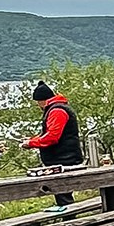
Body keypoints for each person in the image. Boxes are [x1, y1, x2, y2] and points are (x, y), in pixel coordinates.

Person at [26, 79, 83, 209]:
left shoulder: (56, 111)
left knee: (63, 195)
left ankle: (70, 224)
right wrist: (33, 140)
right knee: (62, 194)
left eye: (37, 103)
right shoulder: (59, 108)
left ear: (42, 100)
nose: (38, 106)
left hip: (63, 160)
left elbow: (52, 137)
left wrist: (31, 143)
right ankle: (70, 221)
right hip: (64, 158)